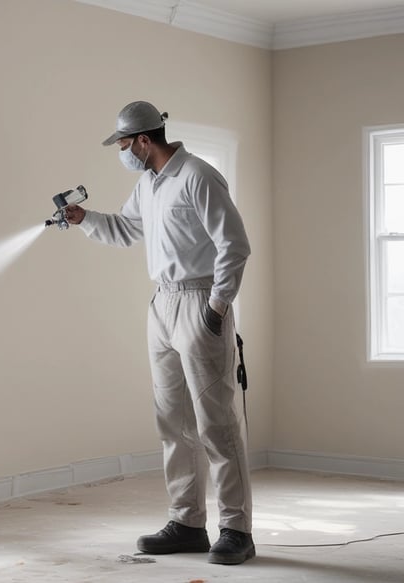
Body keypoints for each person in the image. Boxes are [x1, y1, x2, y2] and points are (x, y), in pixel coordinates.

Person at [65, 101, 255, 565]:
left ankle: (236, 530)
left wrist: (216, 307)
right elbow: (126, 230)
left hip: (199, 300)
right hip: (162, 305)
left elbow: (235, 245)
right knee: (173, 421)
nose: (123, 152)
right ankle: (188, 522)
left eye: (125, 144)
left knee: (216, 422)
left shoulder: (198, 177)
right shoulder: (148, 185)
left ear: (144, 141)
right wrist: (83, 218)